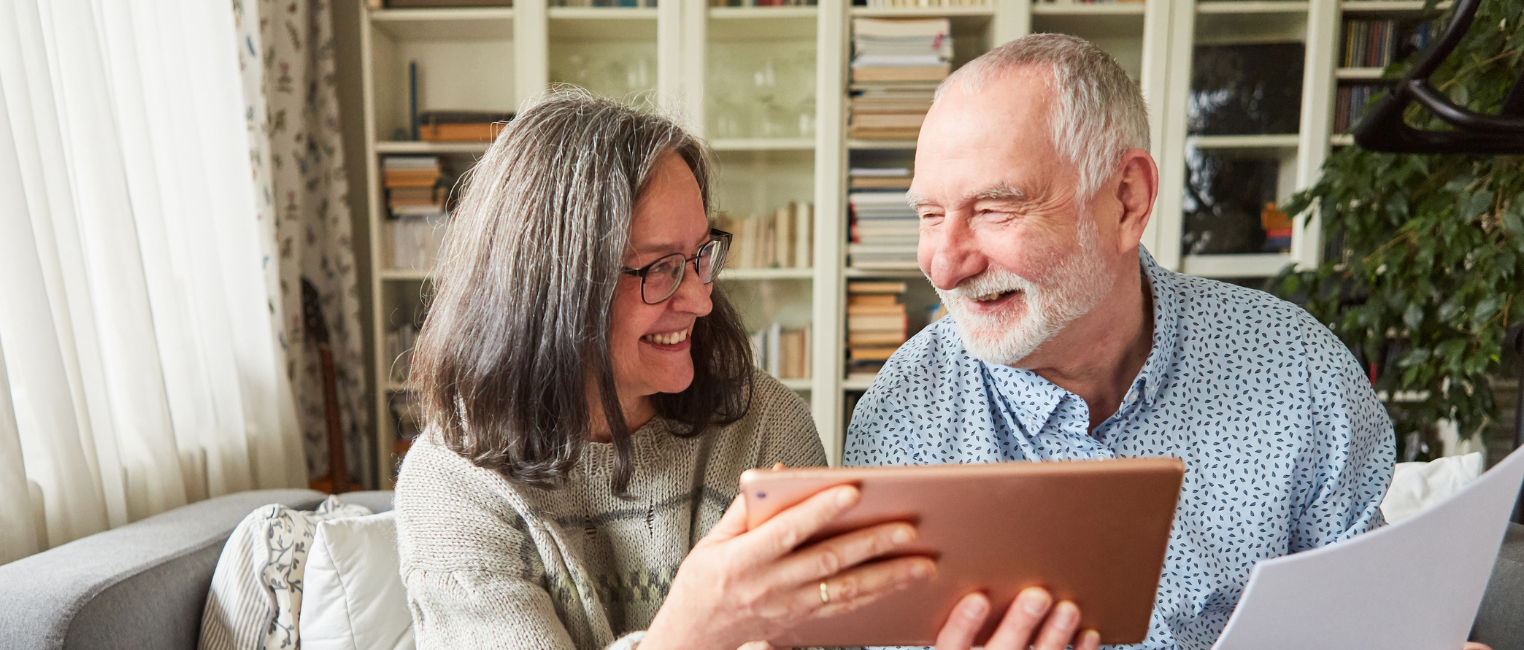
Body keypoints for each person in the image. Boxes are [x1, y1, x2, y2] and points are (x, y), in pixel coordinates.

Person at [393, 91, 1081, 650]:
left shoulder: (763, 426)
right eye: (660, 268)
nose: (699, 297)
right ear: (549, 288)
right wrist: (695, 628)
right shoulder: (452, 484)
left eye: (701, 256)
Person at [843, 33, 1410, 649]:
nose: (944, 265)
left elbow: (1365, 619)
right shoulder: (905, 411)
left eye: (995, 209)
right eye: (929, 215)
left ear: (1125, 200)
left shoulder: (1297, 369)